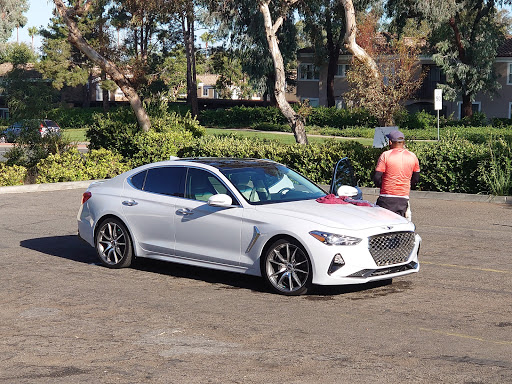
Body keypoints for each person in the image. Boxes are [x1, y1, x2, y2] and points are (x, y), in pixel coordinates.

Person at [373, 130, 420, 218]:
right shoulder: (412, 156)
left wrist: (383, 186)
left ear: (390, 142)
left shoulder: (385, 155)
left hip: (386, 197)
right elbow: (416, 178)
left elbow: (377, 177)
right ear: (403, 142)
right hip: (403, 197)